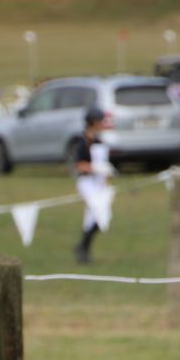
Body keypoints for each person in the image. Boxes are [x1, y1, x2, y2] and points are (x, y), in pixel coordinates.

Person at [73, 106, 114, 264]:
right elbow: (79, 165)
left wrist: (106, 174)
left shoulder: (99, 141)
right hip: (86, 182)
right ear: (93, 122)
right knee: (98, 213)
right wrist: (95, 168)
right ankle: (83, 247)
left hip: (99, 183)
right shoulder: (82, 142)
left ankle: (83, 248)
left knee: (94, 217)